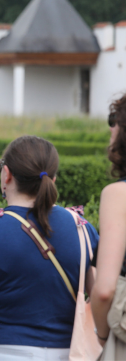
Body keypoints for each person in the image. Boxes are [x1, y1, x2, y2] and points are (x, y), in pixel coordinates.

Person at [0, 135, 99, 360]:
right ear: (53, 179)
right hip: (69, 351)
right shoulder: (82, 228)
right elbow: (100, 295)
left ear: (7, 174)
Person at [91, 94, 126, 355]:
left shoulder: (118, 194)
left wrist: (101, 336)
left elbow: (104, 290)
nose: (111, 127)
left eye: (114, 120)